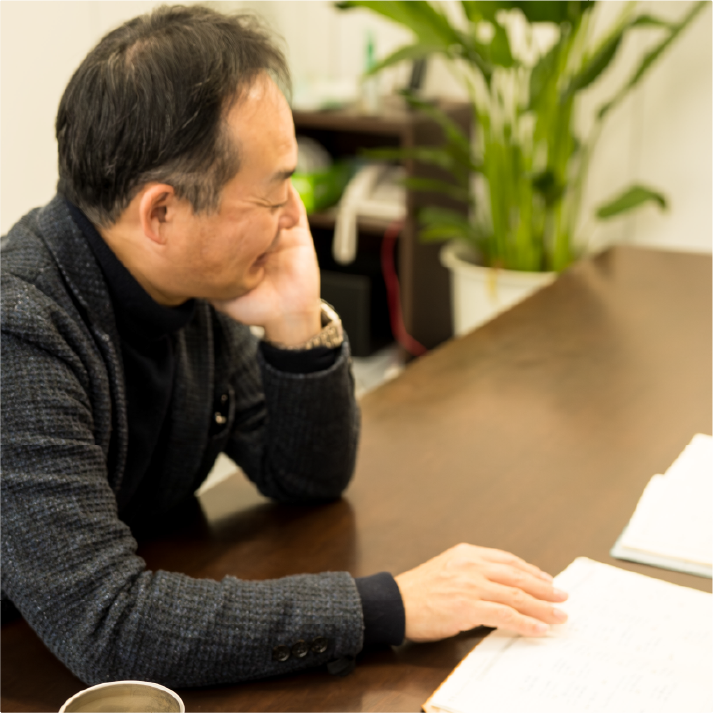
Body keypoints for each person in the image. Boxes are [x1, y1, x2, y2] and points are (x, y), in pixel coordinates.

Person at [0, 5, 567, 688]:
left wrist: (296, 322)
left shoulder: (184, 286)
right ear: (161, 212)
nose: (292, 217)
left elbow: (304, 476)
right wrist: (388, 606)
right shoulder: (19, 330)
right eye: (272, 196)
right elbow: (110, 626)